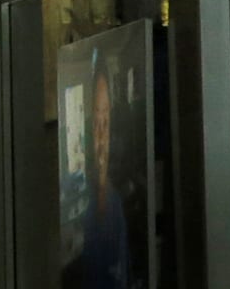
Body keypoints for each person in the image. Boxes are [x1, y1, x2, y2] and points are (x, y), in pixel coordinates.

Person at [82, 60, 131, 289]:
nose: (101, 135)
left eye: (107, 122)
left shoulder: (116, 206)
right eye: (96, 123)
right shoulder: (80, 203)